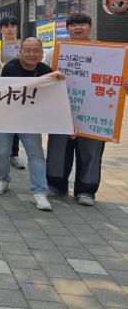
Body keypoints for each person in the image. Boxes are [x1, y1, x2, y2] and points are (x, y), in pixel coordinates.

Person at [0, 37, 65, 211]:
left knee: (36, 154)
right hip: (4, 117)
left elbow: (54, 93)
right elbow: (23, 86)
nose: (32, 54)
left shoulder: (44, 69)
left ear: (42, 53)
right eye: (28, 50)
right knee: (1, 152)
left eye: (36, 51)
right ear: (20, 52)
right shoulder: (10, 67)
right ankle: (2, 180)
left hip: (30, 120)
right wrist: (51, 77)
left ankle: (39, 191)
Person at [46, 13, 105, 206]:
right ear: (67, 29)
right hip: (62, 110)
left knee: (91, 152)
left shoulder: (105, 51)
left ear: (90, 26)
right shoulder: (54, 52)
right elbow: (43, 77)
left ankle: (86, 191)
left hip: (93, 112)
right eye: (73, 25)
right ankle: (56, 185)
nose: (78, 28)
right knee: (58, 149)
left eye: (82, 24)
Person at [0, 16, 25, 169]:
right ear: (1, 30)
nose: (10, 29)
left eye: (13, 26)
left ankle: (14, 155)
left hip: (17, 91)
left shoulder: (23, 46)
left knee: (16, 124)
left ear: (17, 28)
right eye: (6, 26)